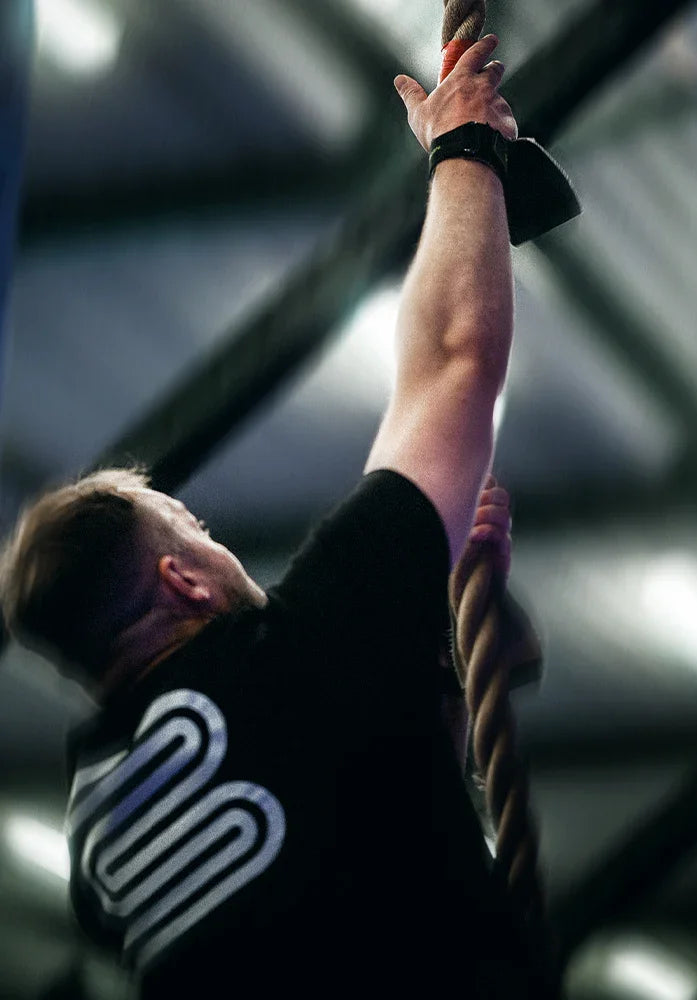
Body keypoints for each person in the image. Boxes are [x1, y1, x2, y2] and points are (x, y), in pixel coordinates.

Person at [0, 36, 538, 998]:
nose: (215, 543)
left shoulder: (100, 841)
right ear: (182, 579)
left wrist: (437, 634)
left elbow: (368, 804)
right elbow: (456, 360)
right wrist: (462, 149)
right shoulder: (296, 658)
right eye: (193, 526)